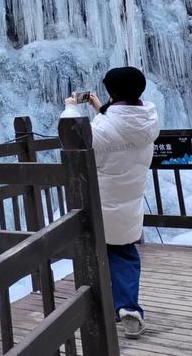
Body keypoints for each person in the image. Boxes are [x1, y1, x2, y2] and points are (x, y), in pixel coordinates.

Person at [60, 66, 160, 339]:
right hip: (129, 202)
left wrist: (71, 109)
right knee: (125, 254)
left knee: (94, 253)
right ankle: (128, 307)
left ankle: (94, 307)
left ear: (113, 92)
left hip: (99, 202)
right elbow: (118, 133)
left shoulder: (104, 128)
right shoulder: (148, 119)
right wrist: (101, 108)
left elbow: (75, 140)